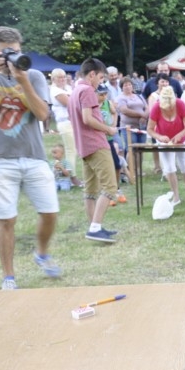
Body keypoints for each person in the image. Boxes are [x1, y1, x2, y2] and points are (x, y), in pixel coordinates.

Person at [0, 26, 62, 287]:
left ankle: (41, 253)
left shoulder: (34, 75)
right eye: (6, 52)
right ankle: (8, 276)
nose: (12, 57)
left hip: (33, 154)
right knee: (6, 219)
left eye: (15, 51)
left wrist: (23, 80)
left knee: (50, 212)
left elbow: (43, 115)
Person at [68, 57, 119, 243]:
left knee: (90, 190)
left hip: (83, 146)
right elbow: (87, 118)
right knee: (110, 187)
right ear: (91, 74)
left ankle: (93, 227)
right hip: (96, 144)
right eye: (100, 77)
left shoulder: (75, 91)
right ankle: (95, 228)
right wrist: (108, 129)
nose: (101, 82)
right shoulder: (88, 90)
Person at [147, 86, 185, 205]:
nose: (168, 108)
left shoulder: (180, 104)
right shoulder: (156, 107)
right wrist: (159, 137)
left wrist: (180, 135)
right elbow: (150, 129)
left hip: (181, 140)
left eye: (171, 106)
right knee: (169, 168)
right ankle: (176, 197)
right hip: (164, 142)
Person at [49, 68, 81, 187]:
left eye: (63, 77)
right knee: (70, 150)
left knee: (74, 149)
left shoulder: (67, 88)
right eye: (59, 77)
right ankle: (72, 177)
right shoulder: (55, 90)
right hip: (65, 122)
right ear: (53, 79)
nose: (62, 79)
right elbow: (70, 103)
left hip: (72, 121)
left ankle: (71, 175)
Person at [97, 85, 125, 204]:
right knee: (103, 167)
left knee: (117, 165)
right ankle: (104, 192)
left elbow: (114, 113)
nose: (104, 97)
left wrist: (113, 124)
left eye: (105, 94)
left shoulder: (107, 103)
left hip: (109, 138)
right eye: (101, 95)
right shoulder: (92, 106)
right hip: (98, 139)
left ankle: (116, 189)